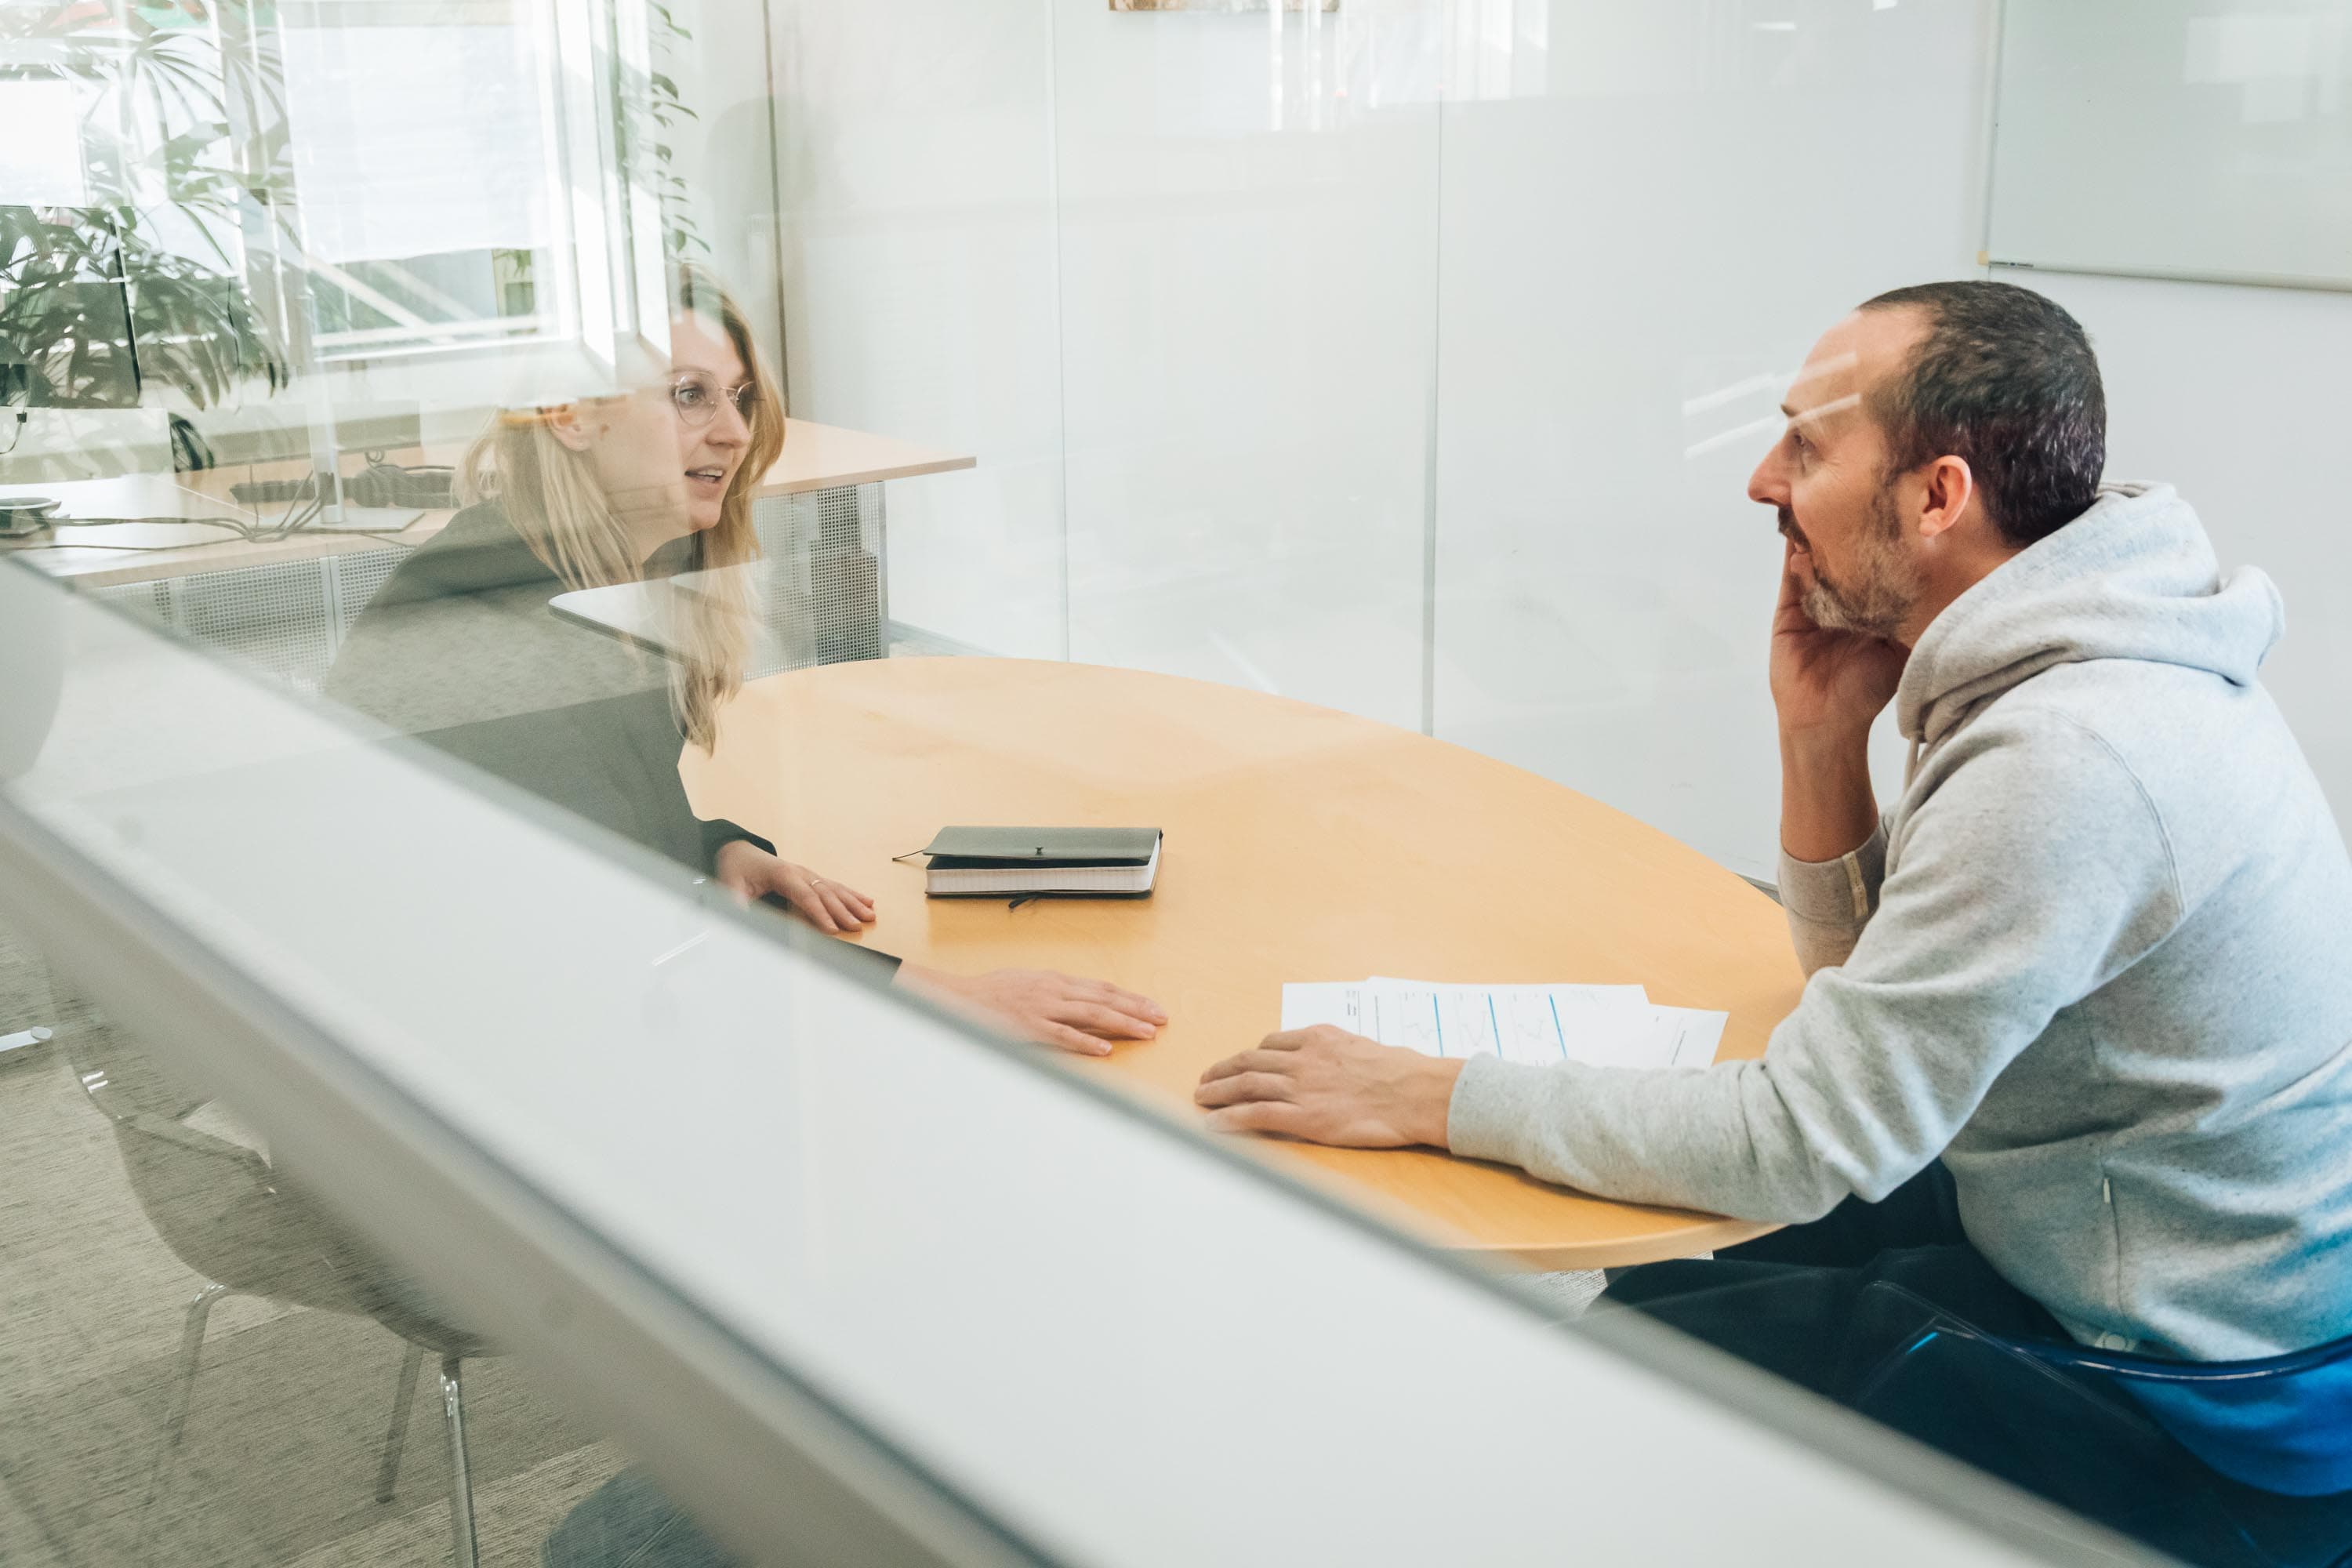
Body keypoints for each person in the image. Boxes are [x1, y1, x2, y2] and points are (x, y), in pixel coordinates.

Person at [1192, 282, 2352, 1459]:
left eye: (1806, 441)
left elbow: (1809, 1138)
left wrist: (1429, 1097)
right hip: (2094, 1232)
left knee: (1581, 1396)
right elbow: (1866, 993)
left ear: (1938, 495)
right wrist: (1818, 740)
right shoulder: (2086, 653)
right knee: (1652, 1287)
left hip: (2185, 1385)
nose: (1762, 478)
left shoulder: (2071, 757)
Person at [325, 267, 1165, 1056]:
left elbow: (587, 828)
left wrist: (716, 846)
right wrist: (946, 995)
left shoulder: (587, 576)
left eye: (739, 398)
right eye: (689, 396)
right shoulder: (493, 638)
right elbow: (625, 942)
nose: (733, 431)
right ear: (570, 414)